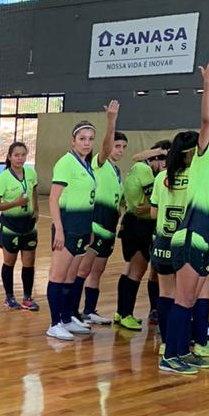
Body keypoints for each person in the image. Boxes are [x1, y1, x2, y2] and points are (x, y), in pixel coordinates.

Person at [155, 58, 209, 375]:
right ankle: (169, 357)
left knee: (192, 301)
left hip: (204, 242)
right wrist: (207, 84)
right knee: (183, 301)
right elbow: (207, 121)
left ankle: (183, 350)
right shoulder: (200, 160)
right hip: (187, 240)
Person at [45, 102, 118, 341]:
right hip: (67, 228)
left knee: (70, 276)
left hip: (82, 229)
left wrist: (88, 229)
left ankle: (67, 318)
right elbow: (53, 199)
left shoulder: (88, 164)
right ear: (73, 141)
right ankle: (54, 323)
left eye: (90, 139)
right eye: (82, 139)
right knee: (58, 276)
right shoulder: (66, 163)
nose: (86, 143)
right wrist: (59, 230)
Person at [113, 141, 170, 330]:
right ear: (155, 158)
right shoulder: (144, 170)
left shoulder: (140, 168)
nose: (165, 166)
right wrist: (151, 207)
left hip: (135, 224)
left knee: (132, 268)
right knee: (136, 270)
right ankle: (125, 314)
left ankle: (122, 312)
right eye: (163, 160)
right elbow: (151, 204)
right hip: (139, 225)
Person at [74, 129, 128, 324]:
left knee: (98, 271)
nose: (120, 150)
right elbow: (105, 149)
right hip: (96, 226)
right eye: (117, 146)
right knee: (83, 270)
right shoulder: (100, 163)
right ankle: (72, 312)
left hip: (109, 229)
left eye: (123, 147)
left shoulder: (117, 171)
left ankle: (89, 310)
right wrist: (111, 122)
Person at [0, 141, 39, 311]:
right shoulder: (3, 178)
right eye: (16, 155)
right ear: (9, 157)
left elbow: (34, 190)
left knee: (29, 262)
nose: (20, 158)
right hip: (11, 226)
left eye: (23, 155)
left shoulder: (31, 173)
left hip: (29, 226)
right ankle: (9, 297)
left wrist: (36, 209)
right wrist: (16, 203)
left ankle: (27, 298)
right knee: (9, 262)